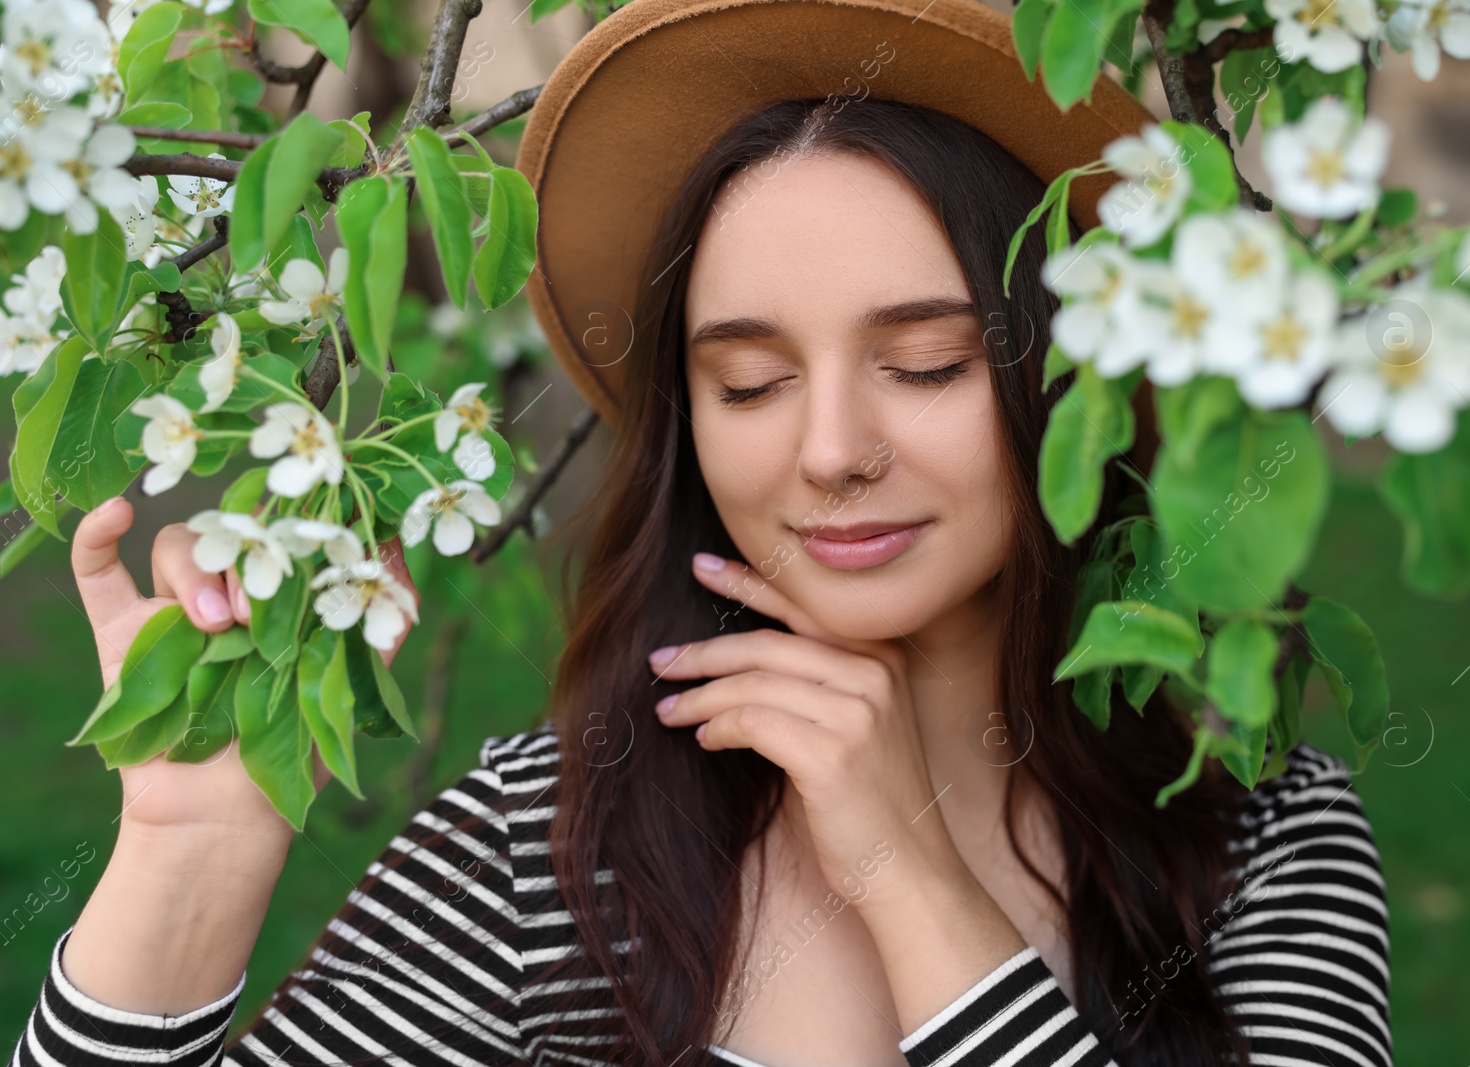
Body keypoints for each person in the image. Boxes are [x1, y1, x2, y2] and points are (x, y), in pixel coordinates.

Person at [7, 0, 1393, 1064]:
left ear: (1071, 376)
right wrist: (187, 861)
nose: (832, 451)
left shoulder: (1261, 843)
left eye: (925, 364)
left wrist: (903, 877)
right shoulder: (550, 846)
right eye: (750, 381)